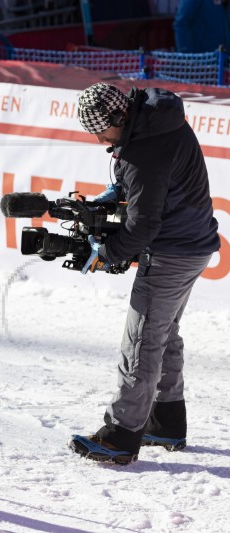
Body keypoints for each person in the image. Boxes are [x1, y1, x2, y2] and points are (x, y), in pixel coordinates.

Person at [69, 82, 220, 464]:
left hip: (171, 250)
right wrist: (116, 189)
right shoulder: (155, 121)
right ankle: (164, 422)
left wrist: (105, 255)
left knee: (141, 341)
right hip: (192, 245)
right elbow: (147, 183)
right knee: (162, 333)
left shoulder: (144, 151)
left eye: (102, 131)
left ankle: (120, 436)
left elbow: (143, 225)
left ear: (120, 117)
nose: (99, 139)